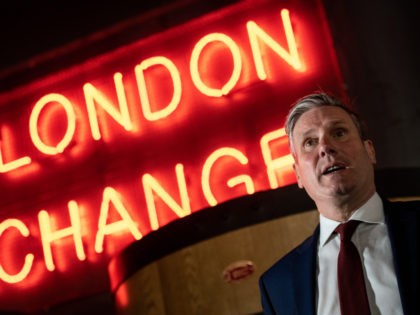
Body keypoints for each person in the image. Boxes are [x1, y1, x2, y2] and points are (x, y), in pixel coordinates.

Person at [259, 92, 418, 315]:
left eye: (339, 133)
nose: (325, 147)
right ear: (298, 175)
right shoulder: (277, 285)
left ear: (370, 151)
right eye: (310, 142)